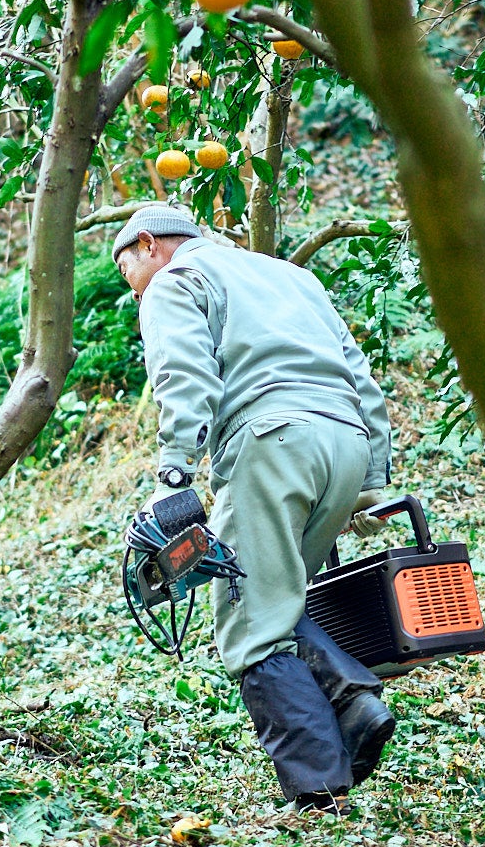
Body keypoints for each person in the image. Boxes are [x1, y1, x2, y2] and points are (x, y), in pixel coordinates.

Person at [112, 204, 398, 812]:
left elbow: (183, 375)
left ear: (149, 244)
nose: (131, 287)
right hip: (345, 443)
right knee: (275, 597)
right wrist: (369, 482)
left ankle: (318, 792)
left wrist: (173, 474)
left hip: (272, 444)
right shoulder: (291, 275)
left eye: (126, 270)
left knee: (249, 626)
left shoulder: (174, 281)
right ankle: (353, 703)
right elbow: (360, 374)